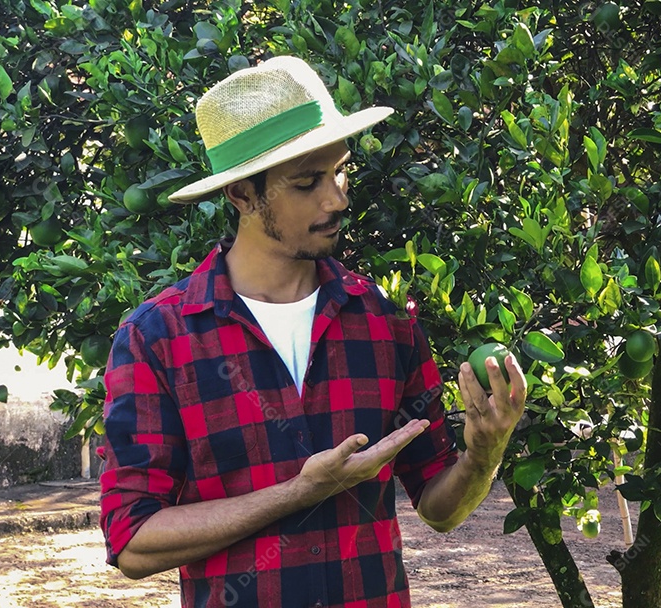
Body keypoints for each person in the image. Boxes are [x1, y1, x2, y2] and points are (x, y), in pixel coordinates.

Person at [99, 55, 527, 608]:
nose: (338, 198)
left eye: (341, 170)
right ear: (242, 196)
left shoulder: (387, 323)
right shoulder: (157, 338)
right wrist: (299, 493)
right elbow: (132, 541)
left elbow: (439, 508)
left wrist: (483, 455)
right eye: (307, 183)